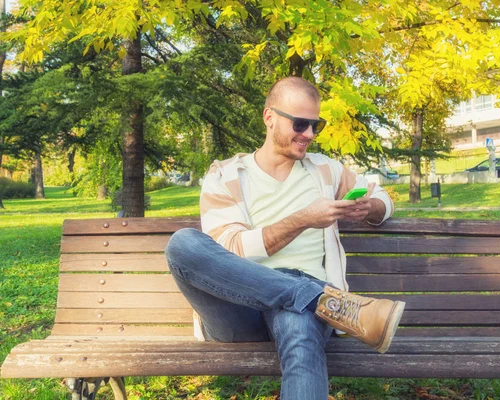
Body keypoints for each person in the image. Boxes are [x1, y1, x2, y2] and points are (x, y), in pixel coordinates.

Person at [165, 77, 404, 400]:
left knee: (299, 327)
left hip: (303, 313)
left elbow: (384, 200)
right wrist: (303, 219)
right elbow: (231, 252)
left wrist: (370, 207)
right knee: (182, 244)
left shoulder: (325, 171)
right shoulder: (225, 176)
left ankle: (310, 299)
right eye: (301, 124)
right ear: (270, 117)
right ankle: (317, 298)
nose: (309, 135)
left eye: (315, 126)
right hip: (238, 307)